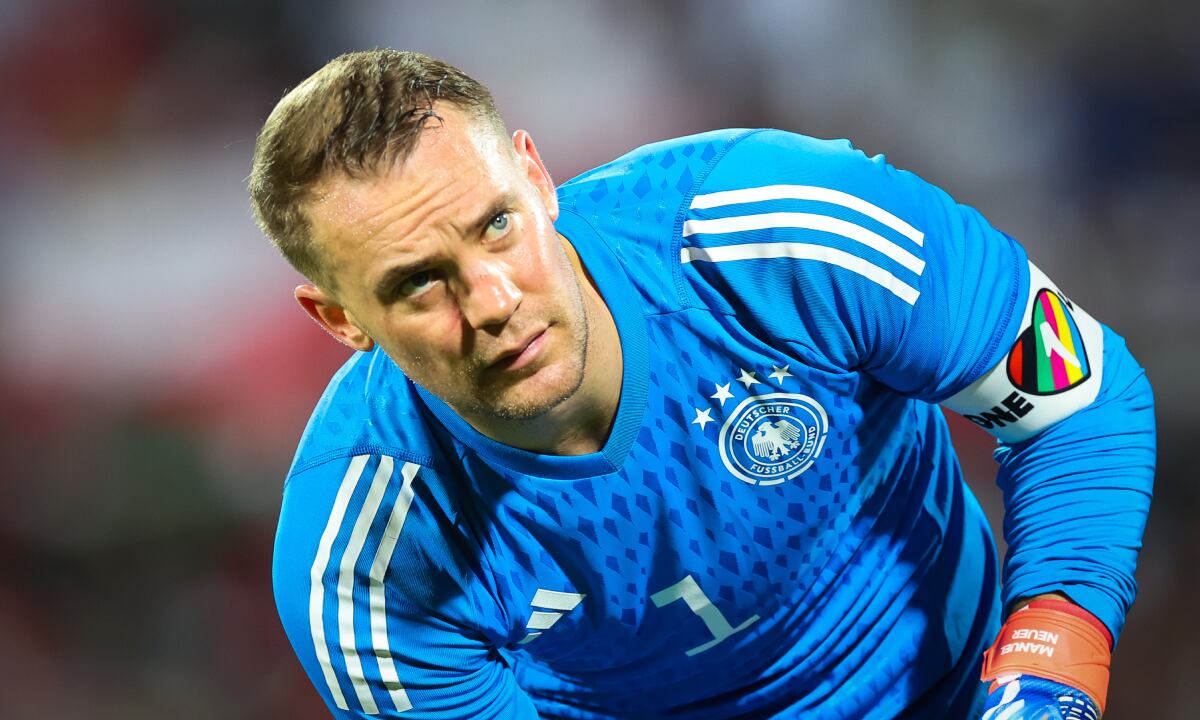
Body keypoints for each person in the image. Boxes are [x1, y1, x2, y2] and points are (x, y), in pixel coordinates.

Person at [251, 49, 1154, 719]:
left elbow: (1077, 402)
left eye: (496, 226)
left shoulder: (782, 228)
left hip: (976, 684)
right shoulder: (361, 566)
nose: (489, 301)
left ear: (536, 175)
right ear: (341, 322)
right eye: (417, 283)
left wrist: (1051, 671)